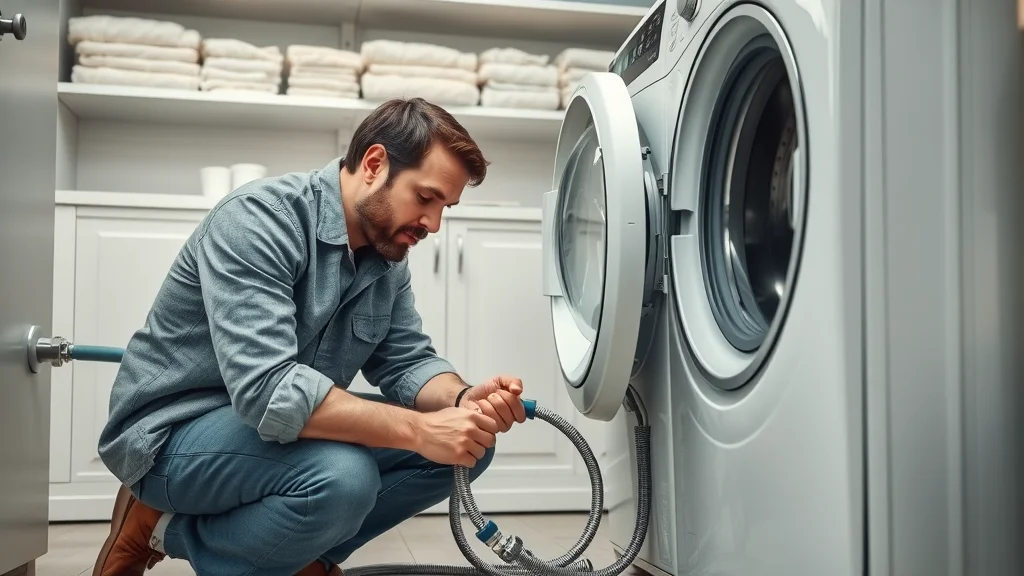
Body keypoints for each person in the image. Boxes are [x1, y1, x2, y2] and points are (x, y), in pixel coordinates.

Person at [91, 98, 527, 576]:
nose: (434, 224)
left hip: (273, 433)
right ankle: (161, 528)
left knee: (468, 445)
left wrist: (462, 400)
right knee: (344, 477)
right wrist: (420, 430)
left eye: (445, 207)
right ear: (374, 164)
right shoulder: (259, 219)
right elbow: (269, 392)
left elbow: (406, 361)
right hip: (172, 435)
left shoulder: (387, 256)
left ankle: (299, 557)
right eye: (425, 198)